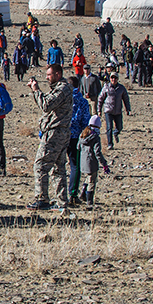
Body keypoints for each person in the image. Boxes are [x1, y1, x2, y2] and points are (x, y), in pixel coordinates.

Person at [27, 64, 73, 210]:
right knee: (58, 169)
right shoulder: (60, 89)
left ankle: (42, 199)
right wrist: (36, 91)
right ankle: (61, 201)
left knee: (41, 165)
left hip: (55, 133)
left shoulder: (62, 89)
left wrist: (36, 90)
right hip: (60, 132)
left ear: (58, 74)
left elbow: (46, 105)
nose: (47, 78)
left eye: (49, 75)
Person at [67, 76, 91, 207]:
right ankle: (73, 194)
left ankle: (59, 193)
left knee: (57, 165)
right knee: (75, 166)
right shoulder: (82, 102)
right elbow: (85, 122)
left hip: (60, 134)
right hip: (75, 136)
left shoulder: (62, 98)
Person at [78, 116, 110, 207]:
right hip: (91, 163)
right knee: (92, 182)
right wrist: (104, 164)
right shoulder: (95, 137)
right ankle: (89, 202)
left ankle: (83, 195)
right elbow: (97, 153)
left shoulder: (82, 135)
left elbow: (78, 147)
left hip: (83, 162)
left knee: (88, 178)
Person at [97, 72, 131, 149]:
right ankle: (110, 144)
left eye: (115, 78)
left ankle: (115, 133)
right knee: (109, 127)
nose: (113, 79)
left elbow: (126, 99)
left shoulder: (121, 88)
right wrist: (99, 110)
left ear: (117, 79)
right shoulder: (106, 87)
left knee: (119, 127)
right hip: (108, 110)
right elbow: (100, 99)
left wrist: (128, 109)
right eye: (112, 78)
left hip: (118, 111)